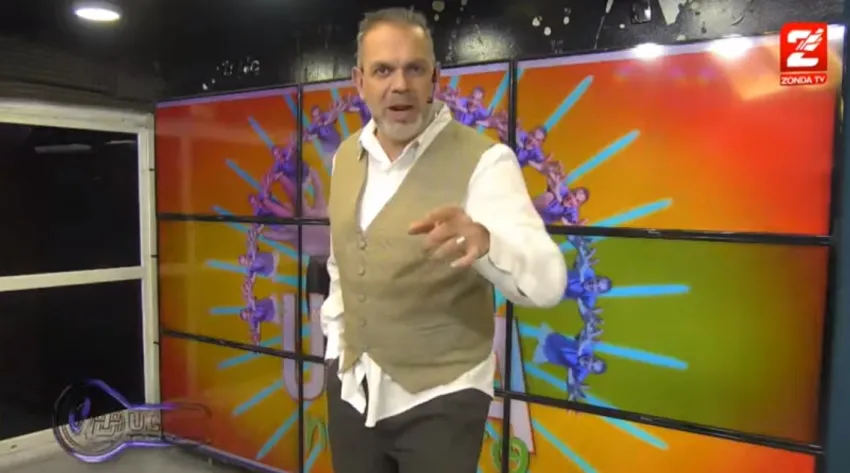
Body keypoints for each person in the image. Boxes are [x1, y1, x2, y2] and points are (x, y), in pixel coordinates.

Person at [321, 8, 566, 473]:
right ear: (359, 82)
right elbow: (341, 263)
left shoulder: (486, 162)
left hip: (442, 399)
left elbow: (549, 283)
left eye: (414, 69)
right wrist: (335, 347)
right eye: (383, 70)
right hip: (352, 387)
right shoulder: (345, 158)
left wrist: (487, 242)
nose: (400, 85)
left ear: (435, 77)